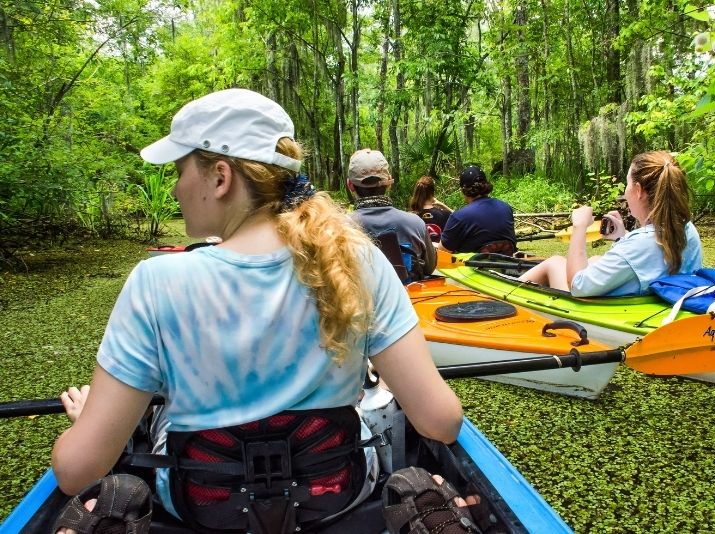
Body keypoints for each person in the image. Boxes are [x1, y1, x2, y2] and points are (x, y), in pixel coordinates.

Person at [51, 89, 463, 533]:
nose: (174, 187)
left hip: (200, 509)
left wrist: (86, 422)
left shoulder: (154, 283)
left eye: (179, 170)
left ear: (220, 177)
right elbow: (440, 423)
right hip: (338, 498)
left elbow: (77, 472)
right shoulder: (357, 262)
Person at [518, 151, 703, 296]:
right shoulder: (687, 229)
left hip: (603, 313)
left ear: (638, 190)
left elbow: (577, 285)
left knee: (555, 262)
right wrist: (623, 238)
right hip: (655, 304)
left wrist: (579, 227)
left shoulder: (639, 245)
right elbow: (649, 258)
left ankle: (502, 296)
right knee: (595, 260)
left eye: (627, 184)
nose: (625, 190)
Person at [348, 149, 436, 281]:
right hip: (409, 298)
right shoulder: (415, 223)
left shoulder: (337, 227)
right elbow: (430, 267)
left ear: (351, 185)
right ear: (389, 183)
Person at [439, 165, 516, 255]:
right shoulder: (506, 208)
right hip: (507, 265)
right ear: (486, 185)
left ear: (463, 190)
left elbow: (443, 251)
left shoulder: (459, 216)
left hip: (472, 268)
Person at [409, 175, 452, 241]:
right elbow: (461, 219)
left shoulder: (410, 216)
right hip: (439, 251)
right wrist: (444, 206)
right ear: (432, 193)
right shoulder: (445, 214)